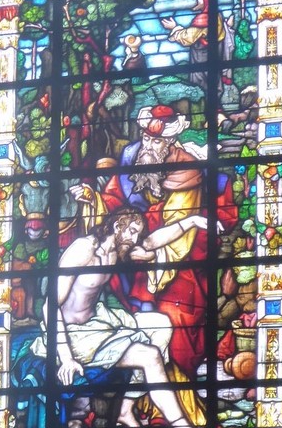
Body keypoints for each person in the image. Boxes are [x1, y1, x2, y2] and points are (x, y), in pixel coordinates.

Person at [68, 104, 238, 376]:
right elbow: (114, 203)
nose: (148, 144)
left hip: (173, 258)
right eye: (146, 137)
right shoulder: (132, 157)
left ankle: (173, 397)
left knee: (178, 316)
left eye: (156, 140)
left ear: (169, 141)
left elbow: (180, 224)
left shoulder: (187, 172)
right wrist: (94, 200)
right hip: (128, 254)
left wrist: (153, 256)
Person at [32, 209, 210, 428]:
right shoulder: (84, 250)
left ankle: (126, 407)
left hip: (101, 321)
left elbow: (154, 242)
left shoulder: (119, 250)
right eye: (133, 231)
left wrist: (190, 221)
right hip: (75, 336)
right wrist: (66, 356)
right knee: (149, 356)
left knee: (160, 326)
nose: (138, 237)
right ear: (118, 226)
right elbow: (50, 306)